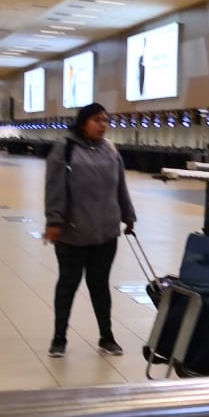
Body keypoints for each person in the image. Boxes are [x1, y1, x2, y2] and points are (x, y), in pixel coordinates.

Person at [43, 103, 136, 358]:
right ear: (83, 122)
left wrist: (128, 215)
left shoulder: (110, 150)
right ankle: (59, 338)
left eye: (106, 120)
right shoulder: (65, 148)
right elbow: (54, 187)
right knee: (68, 285)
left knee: (100, 286)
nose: (103, 125)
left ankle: (107, 337)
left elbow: (120, 186)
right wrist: (54, 221)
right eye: (97, 120)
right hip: (72, 233)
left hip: (105, 233)